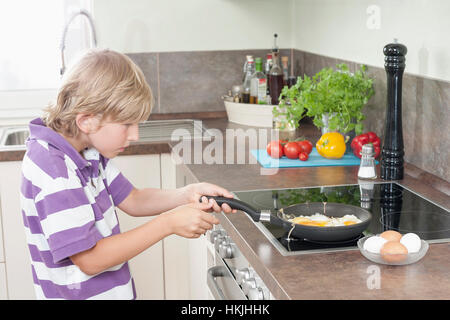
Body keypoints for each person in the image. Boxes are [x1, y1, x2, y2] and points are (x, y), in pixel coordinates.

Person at [20, 49, 235, 300]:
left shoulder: (88, 151)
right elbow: (90, 259)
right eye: (126, 124)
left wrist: (187, 194)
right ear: (86, 120)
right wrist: (168, 223)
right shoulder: (53, 168)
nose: (135, 136)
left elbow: (133, 199)